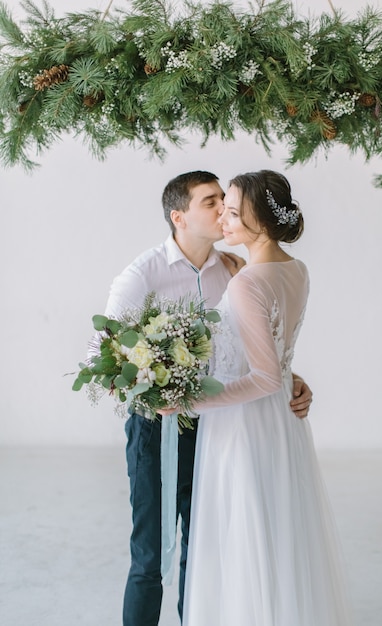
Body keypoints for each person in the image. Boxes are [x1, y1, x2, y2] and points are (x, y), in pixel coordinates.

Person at [101, 170, 313, 626]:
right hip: (158, 426)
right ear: (179, 217)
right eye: (211, 202)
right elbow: (104, 357)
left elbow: (256, 351)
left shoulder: (236, 269)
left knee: (205, 548)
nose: (223, 210)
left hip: (219, 427)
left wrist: (292, 377)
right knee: (150, 554)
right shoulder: (142, 275)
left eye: (226, 201)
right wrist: (157, 388)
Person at [161, 170, 352, 626]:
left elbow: (264, 375)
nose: (223, 220)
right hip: (281, 423)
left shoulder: (247, 283)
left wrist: (187, 402)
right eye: (221, 209)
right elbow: (278, 359)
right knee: (278, 529)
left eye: (232, 213)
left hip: (242, 424)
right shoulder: (294, 269)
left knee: (243, 533)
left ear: (261, 223)